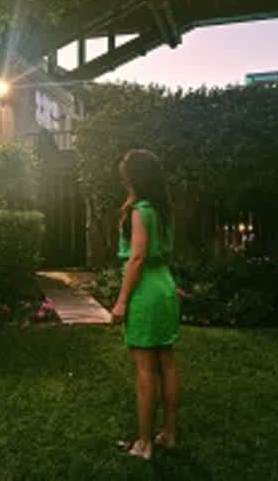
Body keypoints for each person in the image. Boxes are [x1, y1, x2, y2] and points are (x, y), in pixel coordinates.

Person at [111, 149, 181, 461]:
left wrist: (121, 301)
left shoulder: (140, 211)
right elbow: (160, 253)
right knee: (167, 362)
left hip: (145, 291)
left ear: (135, 177)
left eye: (125, 172)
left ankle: (143, 443)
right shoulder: (164, 210)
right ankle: (168, 433)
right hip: (165, 285)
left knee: (145, 369)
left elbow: (137, 257)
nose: (122, 176)